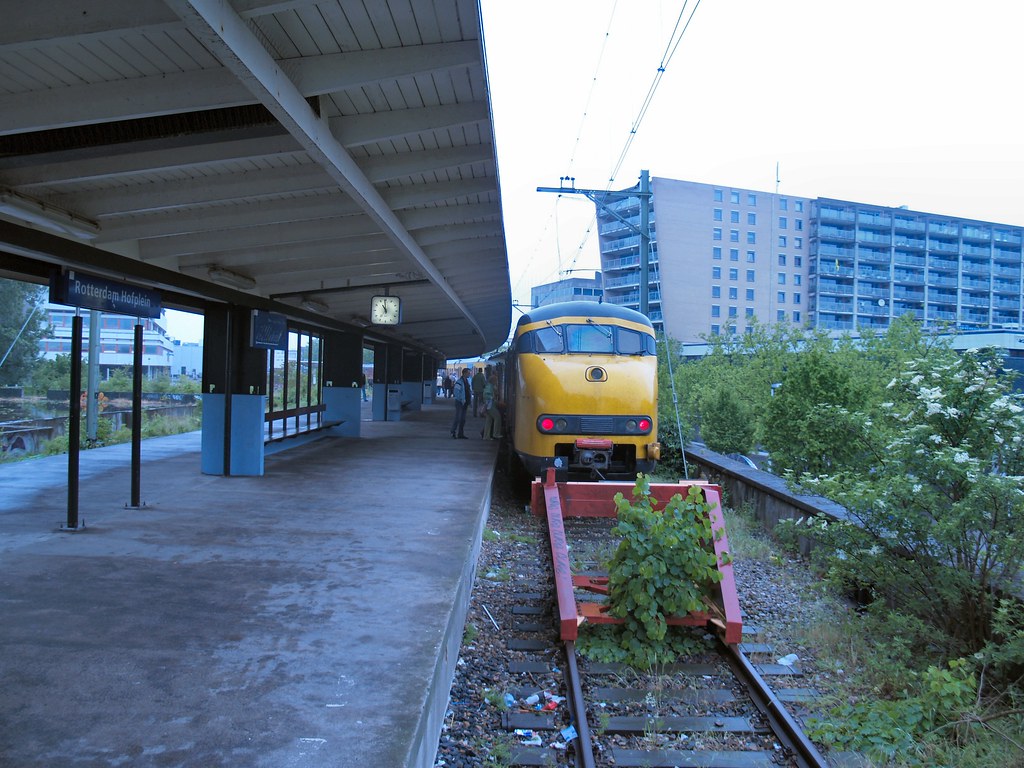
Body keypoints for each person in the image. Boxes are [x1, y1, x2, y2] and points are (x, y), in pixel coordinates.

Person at [450, 368, 471, 439]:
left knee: (463, 419)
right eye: (468, 373)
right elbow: (456, 392)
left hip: (465, 403)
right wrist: (461, 399)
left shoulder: (466, 381)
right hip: (460, 402)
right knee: (458, 418)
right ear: (464, 373)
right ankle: (453, 431)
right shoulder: (459, 382)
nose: (469, 374)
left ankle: (460, 434)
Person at [481, 374, 503, 440]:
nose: (497, 382)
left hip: (489, 405)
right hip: (489, 405)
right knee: (497, 417)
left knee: (489, 420)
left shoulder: (490, 386)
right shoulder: (489, 387)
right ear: (493, 381)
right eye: (496, 380)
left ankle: (486, 436)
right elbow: (486, 395)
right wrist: (492, 397)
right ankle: (496, 434)